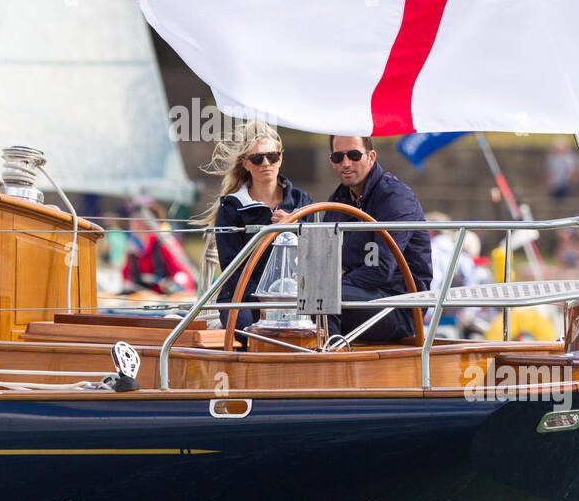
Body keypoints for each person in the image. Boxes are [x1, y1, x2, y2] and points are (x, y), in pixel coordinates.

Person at [200, 122, 311, 340]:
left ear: (281, 159)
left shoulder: (302, 201)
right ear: (246, 164)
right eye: (257, 158)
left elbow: (319, 254)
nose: (266, 163)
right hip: (242, 297)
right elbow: (233, 271)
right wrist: (265, 305)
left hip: (295, 295)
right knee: (252, 334)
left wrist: (296, 228)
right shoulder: (232, 207)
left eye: (272, 156)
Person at [323, 135, 432, 343]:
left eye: (354, 155)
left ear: (371, 157)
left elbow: (381, 270)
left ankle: (327, 367)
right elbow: (326, 253)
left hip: (401, 306)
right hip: (364, 295)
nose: (346, 163)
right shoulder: (340, 198)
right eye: (338, 157)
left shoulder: (395, 198)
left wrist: (329, 284)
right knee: (288, 297)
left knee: (324, 296)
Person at [122, 198, 196, 295]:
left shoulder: (166, 243)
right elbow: (127, 275)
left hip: (166, 301)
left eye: (137, 220)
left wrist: (174, 286)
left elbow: (182, 274)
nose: (132, 223)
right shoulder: (133, 247)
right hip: (142, 299)